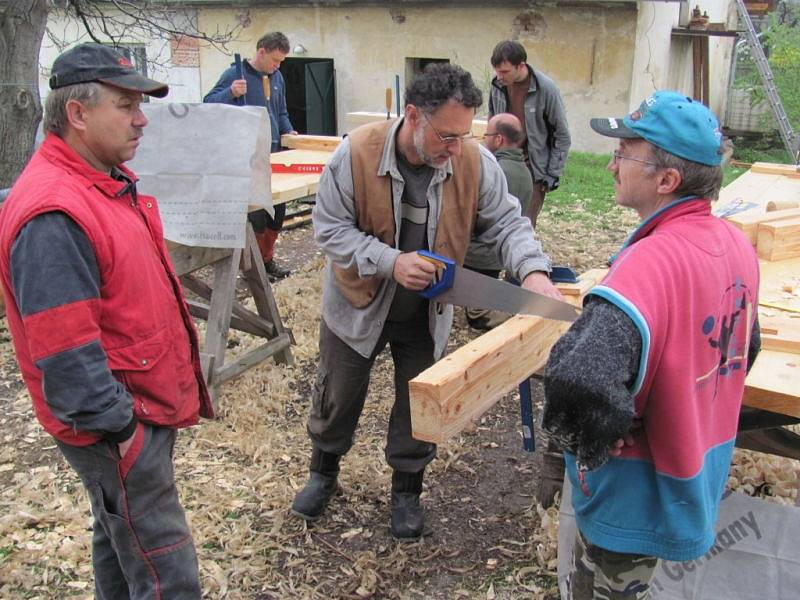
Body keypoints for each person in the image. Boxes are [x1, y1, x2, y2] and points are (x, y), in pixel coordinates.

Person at [291, 63, 563, 539]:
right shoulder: (354, 153)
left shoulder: (474, 162)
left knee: (420, 404)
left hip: (425, 313)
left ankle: (407, 490)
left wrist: (533, 272)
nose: (456, 148)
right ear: (413, 116)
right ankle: (323, 472)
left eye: (464, 135)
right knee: (338, 395)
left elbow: (508, 223)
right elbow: (329, 230)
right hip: (358, 305)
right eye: (446, 136)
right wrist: (391, 261)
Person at [0, 43, 213, 598]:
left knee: (120, 541)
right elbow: (68, 355)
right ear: (78, 113)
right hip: (117, 424)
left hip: (132, 410)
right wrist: (123, 433)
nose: (142, 118)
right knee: (168, 575)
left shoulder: (101, 179)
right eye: (126, 104)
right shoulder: (55, 212)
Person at [541, 91, 761, 599]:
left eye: (626, 152)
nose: (612, 165)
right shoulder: (735, 245)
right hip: (691, 474)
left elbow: (578, 378)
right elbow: (743, 352)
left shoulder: (649, 263)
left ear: (667, 180)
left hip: (632, 493)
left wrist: (595, 435)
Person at [204, 31, 297, 281]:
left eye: (281, 62)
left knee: (276, 212)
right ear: (261, 52)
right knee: (256, 214)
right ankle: (253, 270)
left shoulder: (276, 78)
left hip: (273, 155)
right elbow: (208, 104)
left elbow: (281, 112)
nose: (278, 66)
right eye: (275, 60)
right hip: (247, 156)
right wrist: (231, 94)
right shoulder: (235, 74)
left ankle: (266, 262)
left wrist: (289, 131)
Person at [488, 40, 571, 228]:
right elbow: (492, 122)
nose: (499, 76)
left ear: (521, 66)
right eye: (497, 71)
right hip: (501, 164)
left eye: (504, 72)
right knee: (496, 222)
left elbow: (562, 135)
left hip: (533, 170)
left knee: (523, 226)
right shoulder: (497, 85)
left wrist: (552, 174)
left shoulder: (546, 89)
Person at [464, 112, 534, 330]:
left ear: (499, 139)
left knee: (477, 316)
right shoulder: (524, 171)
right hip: (496, 257)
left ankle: (517, 318)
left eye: (486, 135)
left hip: (480, 256)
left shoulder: (496, 171)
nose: (484, 140)